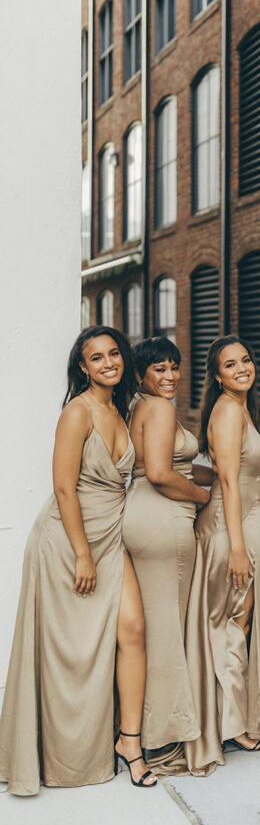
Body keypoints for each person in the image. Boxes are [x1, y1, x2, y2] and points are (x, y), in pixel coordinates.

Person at [0, 326, 156, 794]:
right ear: (82, 367)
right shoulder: (77, 412)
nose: (108, 362)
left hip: (110, 536)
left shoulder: (123, 409)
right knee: (64, 653)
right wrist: (82, 555)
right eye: (96, 357)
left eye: (114, 354)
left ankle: (129, 742)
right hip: (67, 541)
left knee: (133, 628)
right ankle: (53, 754)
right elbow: (64, 487)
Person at [170, 336, 260, 775]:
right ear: (217, 376)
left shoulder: (244, 410)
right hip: (230, 530)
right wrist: (236, 547)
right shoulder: (228, 410)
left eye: (246, 360)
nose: (241, 369)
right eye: (230, 365)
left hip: (246, 525)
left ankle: (228, 717)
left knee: (236, 621)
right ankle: (234, 726)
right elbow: (230, 483)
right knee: (232, 623)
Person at [122, 337, 212, 758]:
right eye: (159, 368)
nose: (171, 375)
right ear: (141, 374)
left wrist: (213, 475)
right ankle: (160, 739)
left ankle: (140, 728)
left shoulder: (136, 406)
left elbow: (164, 463)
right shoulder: (160, 408)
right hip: (164, 518)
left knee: (152, 627)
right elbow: (161, 472)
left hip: (139, 515)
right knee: (166, 630)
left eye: (175, 366)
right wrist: (202, 497)